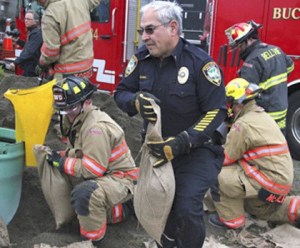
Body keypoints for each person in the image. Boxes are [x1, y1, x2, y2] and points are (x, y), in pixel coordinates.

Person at [114, 1, 227, 247]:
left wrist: (183, 141)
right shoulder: (141, 60)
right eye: (141, 31)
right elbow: (120, 92)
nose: (144, 37)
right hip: (157, 151)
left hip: (197, 151)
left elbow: (217, 110)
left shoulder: (200, 64)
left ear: (173, 27)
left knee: (186, 206)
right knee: (160, 207)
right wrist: (135, 101)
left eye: (150, 30)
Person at [46, 76, 139, 246]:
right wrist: (63, 155)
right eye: (64, 110)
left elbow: (92, 169)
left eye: (72, 108)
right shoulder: (79, 119)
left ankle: (92, 241)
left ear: (87, 102)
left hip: (121, 179)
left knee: (85, 194)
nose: (68, 114)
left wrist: (62, 162)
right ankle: (115, 209)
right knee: (79, 194)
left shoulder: (95, 128)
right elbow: (82, 152)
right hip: (106, 175)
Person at [209, 78, 300, 229]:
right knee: (257, 209)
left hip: (269, 180)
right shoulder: (259, 115)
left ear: (238, 104)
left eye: (230, 104)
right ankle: (295, 209)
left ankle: (232, 221)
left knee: (218, 174)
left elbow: (226, 158)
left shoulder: (243, 125)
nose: (229, 108)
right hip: (280, 179)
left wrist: (211, 150)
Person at [225, 20, 294, 134]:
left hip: (265, 117)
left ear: (247, 40)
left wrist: (231, 115)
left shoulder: (251, 63)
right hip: (281, 113)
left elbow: (244, 98)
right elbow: (290, 67)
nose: (239, 50)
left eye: (240, 46)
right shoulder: (275, 49)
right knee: (279, 147)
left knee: (262, 149)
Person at [35, 0, 101, 80]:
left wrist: (41, 63)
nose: (37, 3)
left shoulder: (50, 15)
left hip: (65, 75)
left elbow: (52, 53)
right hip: (86, 70)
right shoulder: (80, 1)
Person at [7, 10, 43, 77]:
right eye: (25, 18)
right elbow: (29, 46)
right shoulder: (33, 32)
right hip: (29, 67)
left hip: (32, 69)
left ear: (35, 21)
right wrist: (18, 41)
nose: (26, 21)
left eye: (28, 19)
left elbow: (29, 51)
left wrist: (15, 63)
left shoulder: (37, 33)